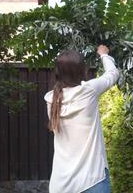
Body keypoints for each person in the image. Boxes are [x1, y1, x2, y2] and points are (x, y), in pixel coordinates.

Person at [44, 45, 119, 193]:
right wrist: (103, 55)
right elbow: (112, 73)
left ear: (57, 72)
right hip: (92, 180)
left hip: (61, 185)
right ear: (83, 70)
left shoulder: (51, 100)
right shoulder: (88, 90)